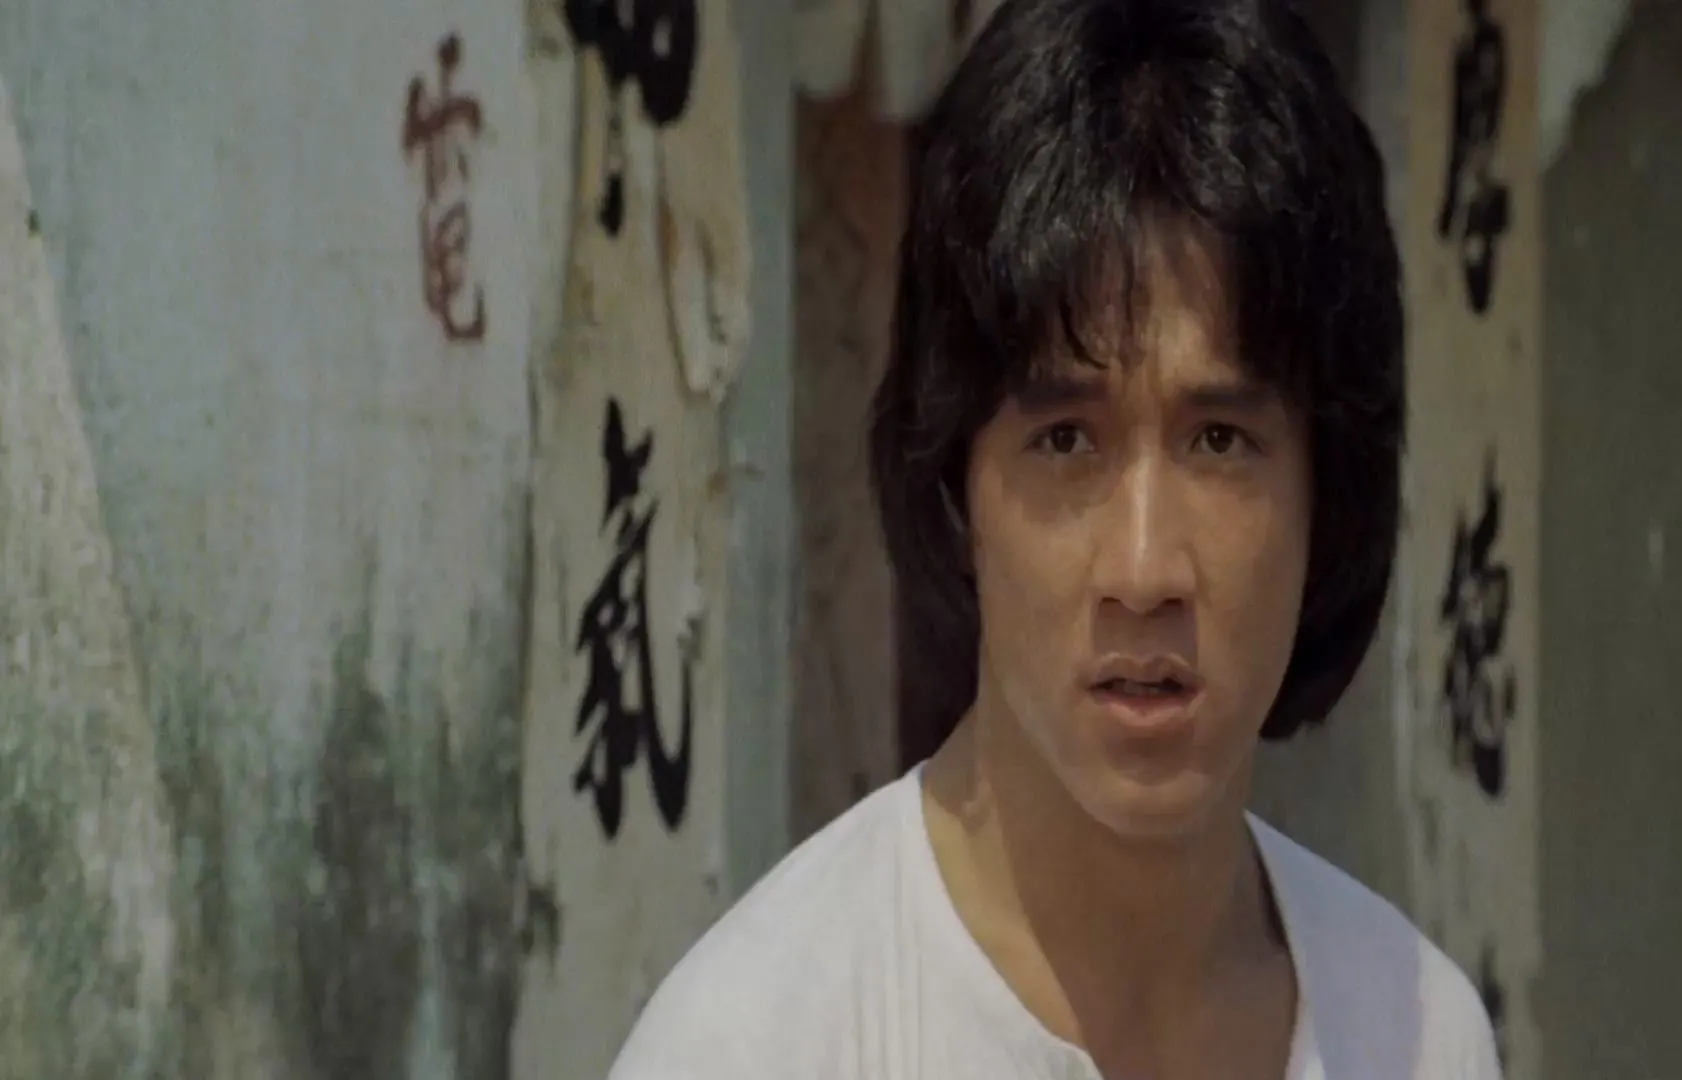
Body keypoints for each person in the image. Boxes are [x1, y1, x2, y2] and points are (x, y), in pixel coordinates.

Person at [611, 0, 1502, 1075]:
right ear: (957, 485)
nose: (1145, 570)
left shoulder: (1414, 1034)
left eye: (1219, 440)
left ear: (1329, 493)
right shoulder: (760, 1044)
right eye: (1067, 440)